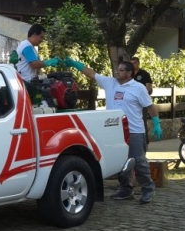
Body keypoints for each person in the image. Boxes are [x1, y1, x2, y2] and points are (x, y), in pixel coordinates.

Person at [65, 58, 163, 204]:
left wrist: (156, 123)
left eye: (122, 70)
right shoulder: (111, 83)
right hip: (116, 131)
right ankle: (126, 189)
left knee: (138, 161)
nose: (118, 72)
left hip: (135, 131)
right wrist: (76, 65)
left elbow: (150, 107)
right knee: (120, 161)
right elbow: (92, 74)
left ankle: (148, 189)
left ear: (129, 73)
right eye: (118, 69)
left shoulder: (138, 87)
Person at [131, 56, 153, 144]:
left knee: (142, 121)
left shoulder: (144, 74)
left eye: (134, 63)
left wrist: (140, 95)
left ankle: (144, 141)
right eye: (131, 63)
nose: (133, 65)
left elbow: (148, 88)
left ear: (138, 64)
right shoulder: (129, 74)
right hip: (130, 103)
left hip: (141, 102)